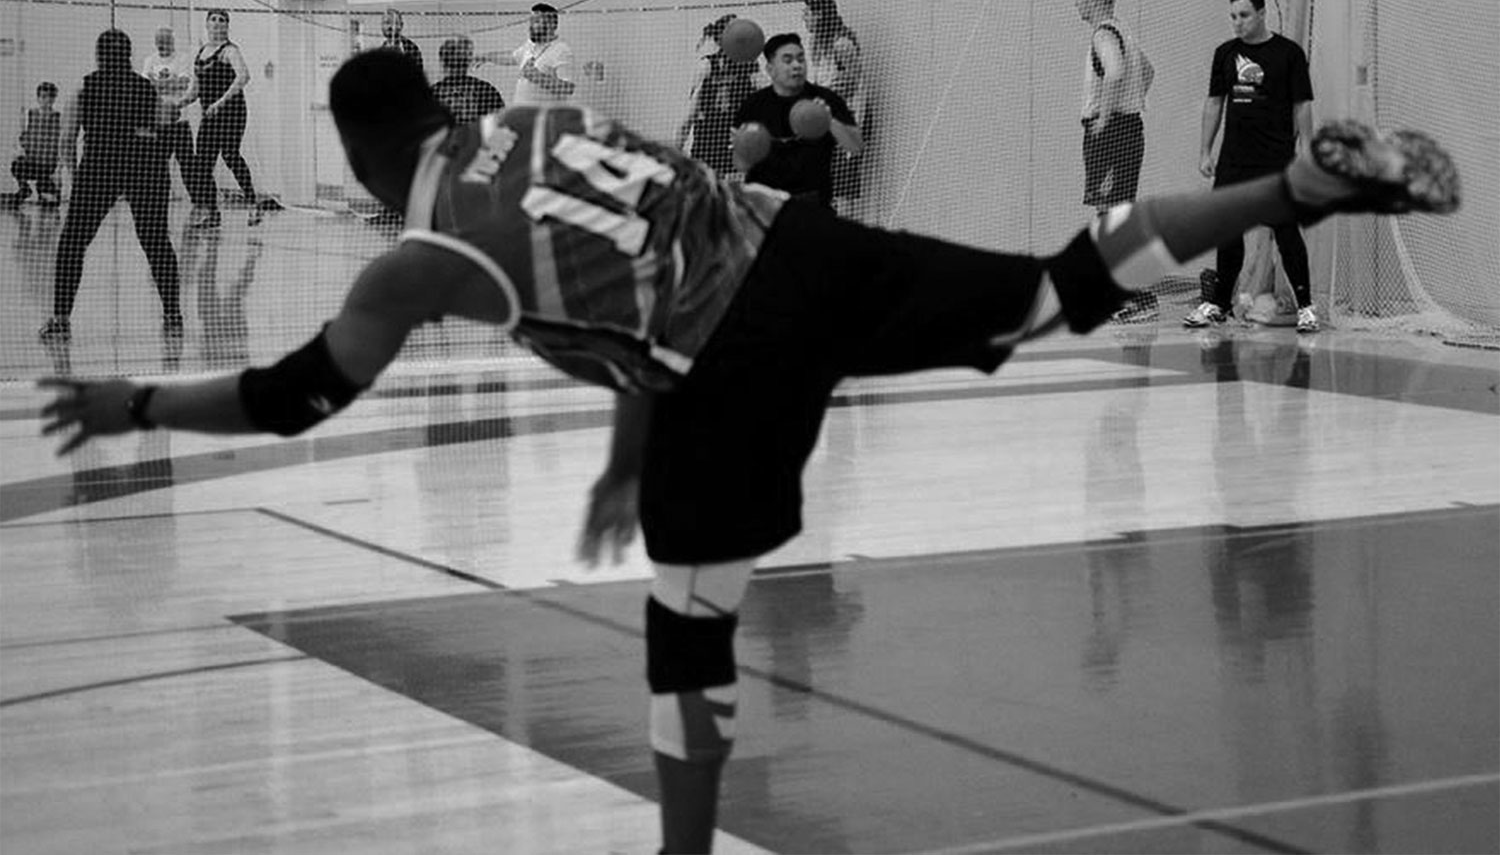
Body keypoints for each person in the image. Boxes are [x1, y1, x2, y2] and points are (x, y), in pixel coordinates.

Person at [38, 49, 1459, 854]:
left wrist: (140, 409)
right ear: (448, 110)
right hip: (801, 242)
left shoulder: (419, 254)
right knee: (1053, 289)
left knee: (688, 621)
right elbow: (624, 277)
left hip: (729, 358)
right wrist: (619, 446)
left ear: (357, 153)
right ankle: (1297, 189)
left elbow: (298, 396)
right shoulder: (545, 118)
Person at [1188, 0, 1320, 334]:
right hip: (1234, 161)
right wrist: (1205, 150)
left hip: (1274, 161)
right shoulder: (1225, 54)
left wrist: (1306, 149)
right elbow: (1215, 103)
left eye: (1244, 15)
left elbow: (1302, 105)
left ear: (1262, 14)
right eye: (1233, 16)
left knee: (1286, 230)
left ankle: (1306, 307)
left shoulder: (1288, 54)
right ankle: (1218, 304)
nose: (1238, 23)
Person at [39, 29, 181, 344]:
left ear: (98, 55)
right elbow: (167, 129)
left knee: (72, 243)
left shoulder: (84, 88)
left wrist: (76, 180)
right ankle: (174, 317)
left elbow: (66, 140)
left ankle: (61, 321)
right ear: (128, 55)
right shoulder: (147, 88)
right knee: (156, 242)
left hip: (99, 169)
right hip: (145, 170)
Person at [1074, 0, 1157, 323]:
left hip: (1112, 131)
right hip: (1129, 127)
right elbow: (1149, 71)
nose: (1075, 2)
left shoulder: (1104, 34)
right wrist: (1132, 103)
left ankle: (1132, 298)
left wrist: (1106, 118)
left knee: (1111, 216)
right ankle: (1136, 294)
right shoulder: (1125, 30)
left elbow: (1115, 71)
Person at [733, 33, 863, 206]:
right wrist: (744, 147)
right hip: (765, 206)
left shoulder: (826, 99)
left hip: (812, 204)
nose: (797, 65)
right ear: (770, 69)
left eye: (801, 59)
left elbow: (855, 146)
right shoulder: (753, 106)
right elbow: (741, 165)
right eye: (787, 60)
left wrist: (829, 120)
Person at [192, 8, 275, 227]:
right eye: (213, 20)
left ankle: (253, 205)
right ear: (207, 24)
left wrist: (220, 102)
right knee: (203, 163)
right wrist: (179, 102)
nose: (217, 23)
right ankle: (212, 213)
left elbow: (243, 76)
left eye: (222, 20)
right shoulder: (201, 53)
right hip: (209, 114)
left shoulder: (230, 51)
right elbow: (196, 89)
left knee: (230, 155)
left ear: (227, 25)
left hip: (231, 112)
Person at [802, 0, 867, 209]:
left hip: (846, 120)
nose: (804, 17)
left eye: (807, 13)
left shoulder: (842, 43)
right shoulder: (815, 43)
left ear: (819, 15)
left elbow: (856, 83)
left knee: (842, 185)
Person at [676, 13, 758, 178]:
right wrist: (675, 157)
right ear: (722, 38)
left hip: (736, 144)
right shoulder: (707, 66)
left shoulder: (750, 66)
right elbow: (689, 116)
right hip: (707, 143)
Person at [140, 26, 198, 205]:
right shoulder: (149, 60)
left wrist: (156, 83)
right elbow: (145, 88)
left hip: (179, 122)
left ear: (172, 42)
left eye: (166, 41)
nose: (162, 45)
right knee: (156, 165)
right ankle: (157, 201)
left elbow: (182, 84)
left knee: (187, 165)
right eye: (159, 41)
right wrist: (167, 83)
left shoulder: (182, 59)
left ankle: (199, 202)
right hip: (157, 122)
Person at [4, 82, 62, 207]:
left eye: (50, 97)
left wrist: (59, 168)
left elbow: (61, 144)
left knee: (51, 203)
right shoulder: (30, 115)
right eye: (43, 97)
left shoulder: (59, 118)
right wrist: (20, 146)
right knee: (16, 165)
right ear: (38, 98)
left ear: (54, 99)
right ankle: (25, 189)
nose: (47, 100)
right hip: (32, 162)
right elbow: (22, 139)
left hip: (48, 165)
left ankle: (45, 188)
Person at [510, 2, 575, 105]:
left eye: (536, 21)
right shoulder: (530, 44)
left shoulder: (562, 50)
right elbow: (512, 57)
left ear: (551, 25)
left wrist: (537, 77)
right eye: (530, 21)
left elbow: (568, 88)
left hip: (544, 117)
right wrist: (484, 57)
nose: (531, 26)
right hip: (523, 115)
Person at [430, 35, 505, 124]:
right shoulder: (486, 90)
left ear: (442, 62)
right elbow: (500, 123)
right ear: (468, 62)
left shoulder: (431, 94)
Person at [380, 8, 424, 72]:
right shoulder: (380, 52)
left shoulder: (411, 48)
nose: (391, 26)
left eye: (395, 23)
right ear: (381, 26)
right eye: (387, 22)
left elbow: (418, 73)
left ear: (401, 25)